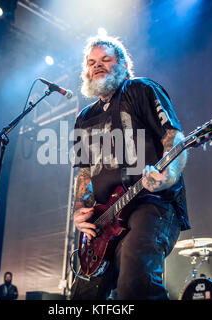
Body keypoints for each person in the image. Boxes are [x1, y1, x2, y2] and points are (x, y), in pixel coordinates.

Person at [70, 35, 189, 300]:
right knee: (82, 297)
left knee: (135, 286)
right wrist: (81, 209)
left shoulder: (141, 89)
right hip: (104, 220)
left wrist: (167, 176)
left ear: (123, 64)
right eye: (91, 62)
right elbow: (85, 171)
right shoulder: (84, 117)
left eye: (105, 60)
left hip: (151, 204)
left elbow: (174, 138)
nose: (97, 66)